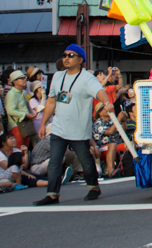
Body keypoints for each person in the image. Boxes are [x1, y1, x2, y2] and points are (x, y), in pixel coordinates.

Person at [34, 44, 114, 206]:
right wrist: (43, 123)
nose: (66, 58)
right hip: (58, 127)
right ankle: (52, 194)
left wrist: (106, 102)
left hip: (79, 129)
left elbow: (100, 91)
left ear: (80, 59)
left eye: (71, 55)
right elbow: (50, 101)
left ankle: (93, 187)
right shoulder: (57, 76)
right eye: (64, 55)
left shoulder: (87, 78)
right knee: (55, 161)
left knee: (86, 161)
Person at [6, 70, 36, 148]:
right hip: (16, 125)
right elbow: (10, 111)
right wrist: (26, 115)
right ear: (15, 82)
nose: (24, 79)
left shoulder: (22, 92)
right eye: (21, 78)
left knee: (24, 149)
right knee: (18, 150)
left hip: (24, 125)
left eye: (24, 77)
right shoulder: (11, 94)